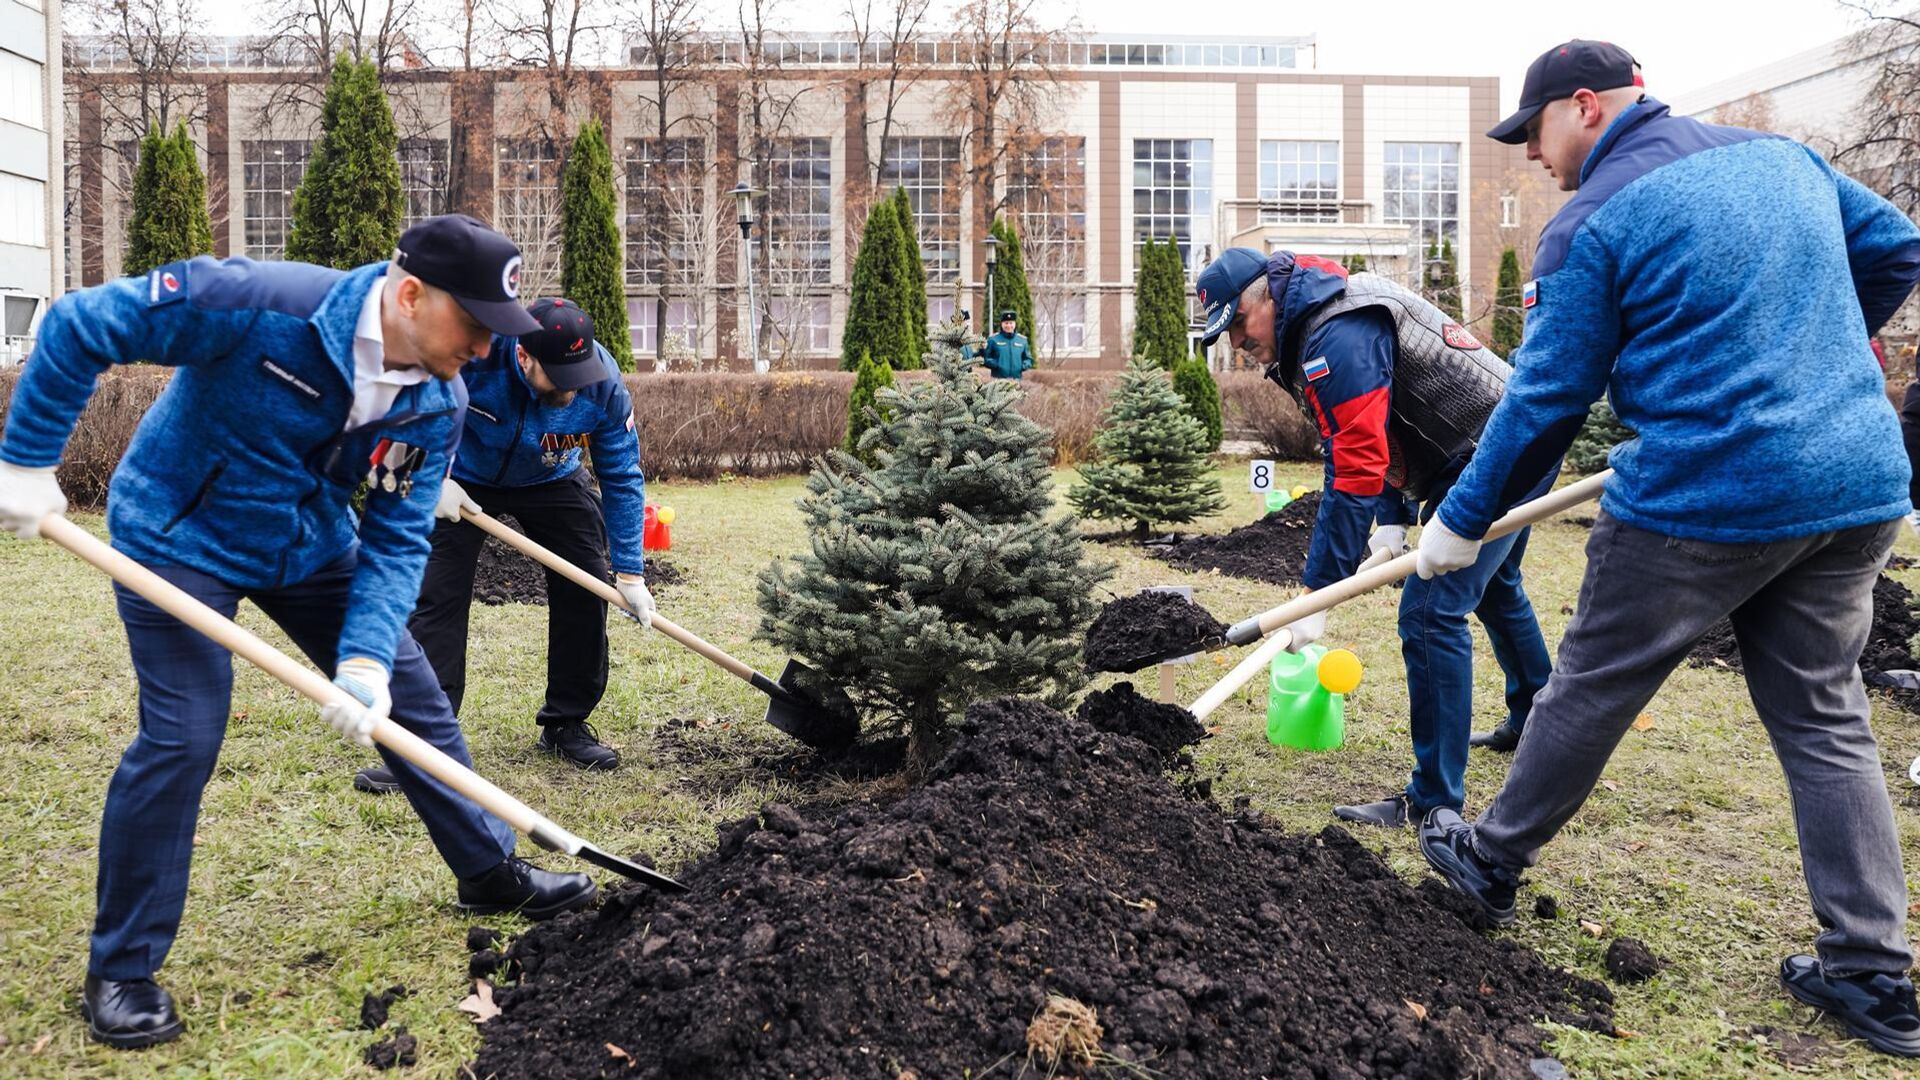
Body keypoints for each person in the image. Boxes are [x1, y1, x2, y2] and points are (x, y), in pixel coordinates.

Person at [1412, 40, 1920, 1058]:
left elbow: (1545, 399)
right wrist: (1814, 364)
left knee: (1594, 677)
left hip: (1709, 488)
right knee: (1825, 712)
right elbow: (1899, 249)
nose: (1533, 159)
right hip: (1857, 479)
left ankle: (1490, 859)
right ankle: (1871, 972)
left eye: (1536, 134)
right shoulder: (1781, 159)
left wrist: (1460, 518)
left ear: (1586, 107)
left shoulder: (1592, 223)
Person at [0, 215, 600, 1050]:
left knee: (413, 701)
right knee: (182, 738)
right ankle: (124, 968)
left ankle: (488, 869)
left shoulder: (440, 398)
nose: (485, 348)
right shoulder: (259, 304)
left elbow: (396, 536)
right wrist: (26, 462)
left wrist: (362, 658)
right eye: (473, 326)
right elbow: (79, 325)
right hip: (181, 539)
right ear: (412, 293)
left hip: (312, 547)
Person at [1195, 244, 1554, 830]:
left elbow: (1357, 458)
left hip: (1499, 449)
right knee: (1494, 588)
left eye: (1237, 323)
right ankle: (1537, 721)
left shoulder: (1334, 331)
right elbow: (1377, 426)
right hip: (1485, 448)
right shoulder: (1317, 320)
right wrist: (1390, 520)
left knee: (1430, 610)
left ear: (1268, 294)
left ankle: (1433, 801)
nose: (1236, 343)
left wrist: (1319, 592)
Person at [353, 297, 650, 792]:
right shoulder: (475, 355)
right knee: (436, 597)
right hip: (463, 480)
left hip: (552, 480)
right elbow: (400, 413)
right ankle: (424, 745)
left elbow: (621, 473)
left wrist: (631, 573)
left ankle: (566, 723)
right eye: (559, 374)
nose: (573, 386)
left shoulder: (601, 381)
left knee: (586, 587)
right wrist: (429, 481)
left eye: (578, 372)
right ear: (524, 356)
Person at [972, 309, 1035, 379]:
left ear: (1015, 324)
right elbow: (985, 358)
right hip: (997, 380)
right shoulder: (993, 339)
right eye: (1006, 323)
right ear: (1001, 324)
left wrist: (1022, 366)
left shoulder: (1022, 340)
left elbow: (1029, 359)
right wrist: (996, 364)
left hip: (1017, 380)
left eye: (1011, 323)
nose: (1008, 326)